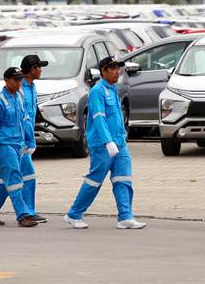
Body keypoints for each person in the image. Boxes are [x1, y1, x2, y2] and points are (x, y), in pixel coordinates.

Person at [64, 56, 145, 229]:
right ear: (103, 71)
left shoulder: (113, 89)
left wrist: (120, 138)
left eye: (118, 68)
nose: (117, 72)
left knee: (123, 179)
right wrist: (108, 142)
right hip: (103, 146)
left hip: (119, 143)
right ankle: (74, 214)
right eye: (113, 68)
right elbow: (98, 119)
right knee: (94, 181)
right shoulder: (97, 91)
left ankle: (125, 216)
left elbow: (116, 118)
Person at [0, 67, 37, 227]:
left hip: (17, 145)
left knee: (4, 181)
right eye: (16, 80)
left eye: (20, 79)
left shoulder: (17, 97)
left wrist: (30, 142)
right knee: (15, 179)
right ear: (6, 80)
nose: (19, 83)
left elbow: (24, 122)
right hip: (3, 146)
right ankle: (23, 215)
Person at [19, 54, 50, 223]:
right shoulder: (20, 87)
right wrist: (28, 141)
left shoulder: (32, 87)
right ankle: (28, 211)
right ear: (32, 70)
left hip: (26, 137)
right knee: (28, 175)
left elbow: (32, 114)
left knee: (7, 177)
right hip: (19, 139)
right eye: (39, 67)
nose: (41, 70)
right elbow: (21, 117)